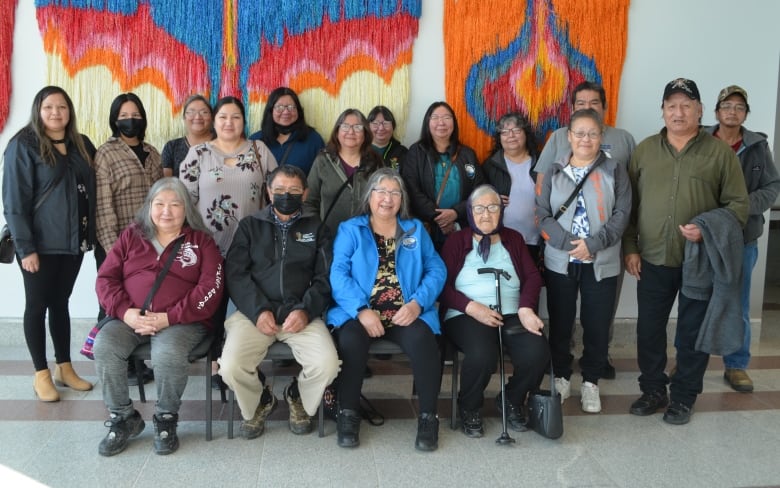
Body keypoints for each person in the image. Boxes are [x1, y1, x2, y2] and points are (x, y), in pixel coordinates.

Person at [624, 78, 748, 425]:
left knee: (691, 333)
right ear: (663, 111)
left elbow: (738, 206)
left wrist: (707, 229)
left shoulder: (719, 153)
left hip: (700, 261)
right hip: (652, 258)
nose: (678, 112)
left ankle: (683, 396)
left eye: (686, 105)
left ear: (700, 110)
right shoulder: (645, 150)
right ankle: (652, 389)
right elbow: (630, 205)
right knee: (648, 329)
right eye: (671, 106)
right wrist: (631, 247)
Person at [93, 178, 224, 456]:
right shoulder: (132, 235)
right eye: (160, 204)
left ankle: (166, 418)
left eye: (175, 205)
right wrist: (124, 312)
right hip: (130, 317)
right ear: (149, 206)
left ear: (187, 208)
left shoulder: (202, 241)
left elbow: (211, 288)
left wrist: (170, 317)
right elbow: (106, 278)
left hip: (183, 321)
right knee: (104, 345)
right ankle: (123, 418)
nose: (167, 211)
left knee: (167, 352)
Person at [328, 168, 446, 451]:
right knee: (350, 341)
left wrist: (418, 303)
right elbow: (338, 274)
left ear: (402, 199)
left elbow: (436, 269)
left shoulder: (415, 229)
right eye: (381, 191)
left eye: (394, 192)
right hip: (360, 313)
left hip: (405, 312)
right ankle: (348, 413)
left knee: (424, 342)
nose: (387, 198)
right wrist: (360, 310)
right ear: (370, 196)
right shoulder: (351, 229)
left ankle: (429, 417)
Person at [219, 165, 339, 439]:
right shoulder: (249, 226)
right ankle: (260, 400)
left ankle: (297, 394)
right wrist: (258, 310)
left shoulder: (317, 228)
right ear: (269, 192)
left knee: (327, 364)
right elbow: (236, 275)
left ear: (305, 193)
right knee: (230, 366)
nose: (287, 195)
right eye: (281, 190)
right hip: (254, 314)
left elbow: (325, 276)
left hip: (301, 313)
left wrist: (307, 310)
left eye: (294, 190)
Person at [536, 81, 637, 380]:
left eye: (592, 133)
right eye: (580, 133)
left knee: (598, 320)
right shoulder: (556, 160)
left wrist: (593, 244)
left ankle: (593, 372)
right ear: (570, 134)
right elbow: (542, 207)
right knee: (561, 319)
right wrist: (567, 243)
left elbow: (624, 209)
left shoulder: (619, 156)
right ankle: (561, 372)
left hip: (602, 254)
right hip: (562, 256)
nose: (586, 138)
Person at [2, 85, 96, 402]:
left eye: (62, 107)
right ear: (38, 111)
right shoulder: (23, 145)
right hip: (39, 246)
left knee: (60, 304)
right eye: (49, 107)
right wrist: (25, 248)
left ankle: (64, 367)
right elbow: (14, 202)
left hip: (73, 243)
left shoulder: (81, 144)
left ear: (70, 112)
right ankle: (41, 373)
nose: (56, 113)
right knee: (36, 305)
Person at [179, 96, 278, 387]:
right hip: (209, 246)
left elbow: (275, 193)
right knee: (213, 308)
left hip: (252, 245)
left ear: (243, 121)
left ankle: (245, 363)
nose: (228, 123)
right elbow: (184, 201)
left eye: (235, 117)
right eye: (223, 117)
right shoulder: (198, 154)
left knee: (246, 306)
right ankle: (215, 366)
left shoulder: (259, 150)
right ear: (214, 120)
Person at [440, 185, 549, 437]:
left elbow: (532, 277)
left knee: (538, 351)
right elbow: (441, 286)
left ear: (501, 211)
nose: (486, 214)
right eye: (479, 208)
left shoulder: (514, 238)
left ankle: (511, 398)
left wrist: (525, 308)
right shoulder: (457, 241)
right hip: (466, 312)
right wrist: (471, 307)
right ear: (469, 212)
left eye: (492, 208)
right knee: (482, 354)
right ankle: (469, 406)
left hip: (512, 311)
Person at [706, 85, 780, 392]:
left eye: (739, 107)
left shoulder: (757, 146)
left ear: (745, 113)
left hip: (742, 239)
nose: (732, 111)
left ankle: (736, 365)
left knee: (737, 303)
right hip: (704, 238)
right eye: (727, 106)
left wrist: (740, 208)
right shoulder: (701, 142)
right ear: (716, 111)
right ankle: (688, 361)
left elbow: (771, 186)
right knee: (696, 300)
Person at [94, 92, 163, 384]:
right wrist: (113, 252)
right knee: (113, 303)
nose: (129, 120)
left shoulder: (152, 152)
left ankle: (138, 363)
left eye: (134, 115)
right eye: (123, 116)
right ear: (114, 120)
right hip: (116, 243)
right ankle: (114, 365)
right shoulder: (106, 153)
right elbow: (102, 205)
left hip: (149, 245)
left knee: (143, 299)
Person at [401, 101, 484, 250]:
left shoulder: (467, 154)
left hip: (460, 228)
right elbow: (410, 189)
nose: (441, 122)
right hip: (427, 229)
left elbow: (480, 190)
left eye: (447, 117)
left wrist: (456, 213)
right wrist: (439, 218)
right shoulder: (416, 152)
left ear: (454, 122)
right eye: (435, 117)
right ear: (427, 122)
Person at [305, 108, 382, 234]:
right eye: (345, 126)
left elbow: (384, 201)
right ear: (337, 132)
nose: (351, 132)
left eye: (357, 127)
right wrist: (318, 230)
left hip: (366, 239)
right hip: (329, 240)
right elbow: (309, 202)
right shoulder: (323, 161)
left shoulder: (375, 163)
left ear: (365, 133)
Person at [482, 112, 541, 262]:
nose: (511, 135)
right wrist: (491, 200)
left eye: (517, 130)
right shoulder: (490, 166)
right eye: (505, 132)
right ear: (499, 138)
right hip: (499, 239)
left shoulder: (541, 162)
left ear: (525, 134)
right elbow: (477, 200)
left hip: (535, 241)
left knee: (531, 282)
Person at [249, 87, 324, 175]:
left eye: (291, 107)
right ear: (271, 110)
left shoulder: (313, 139)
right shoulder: (255, 141)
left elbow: (322, 175)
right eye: (279, 107)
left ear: (298, 111)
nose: (286, 112)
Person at [161, 94, 214, 178]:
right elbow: (167, 184)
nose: (197, 117)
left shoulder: (222, 144)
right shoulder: (172, 147)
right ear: (184, 118)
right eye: (191, 112)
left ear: (212, 117)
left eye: (204, 112)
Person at [367, 105, 408, 171]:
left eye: (385, 123)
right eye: (375, 123)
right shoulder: (360, 151)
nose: (381, 128)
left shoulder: (402, 152)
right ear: (368, 127)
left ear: (393, 127)